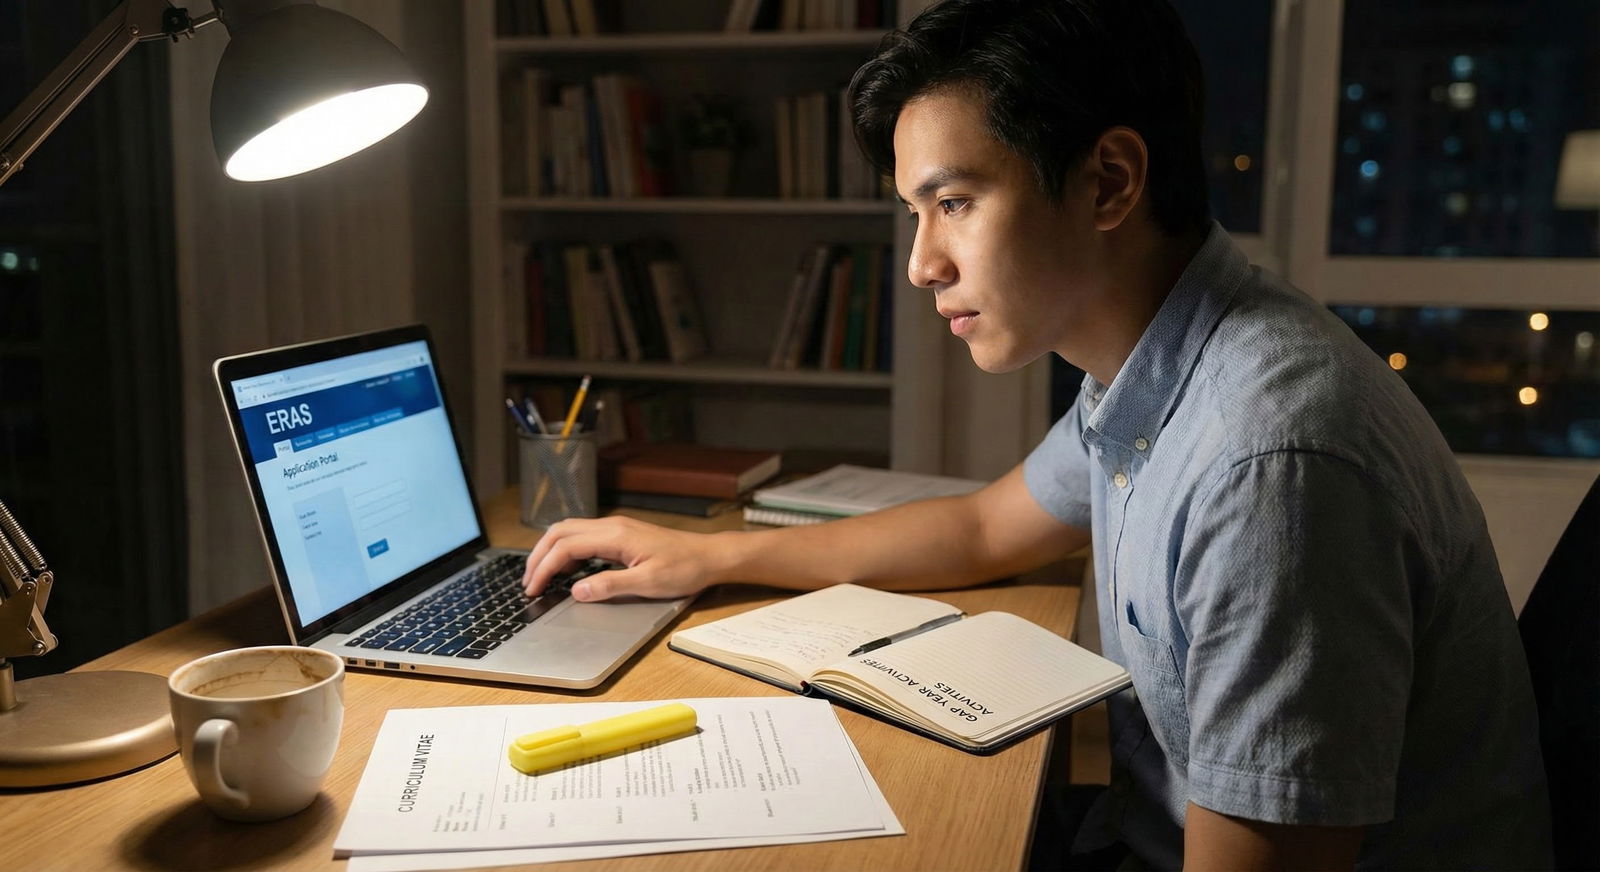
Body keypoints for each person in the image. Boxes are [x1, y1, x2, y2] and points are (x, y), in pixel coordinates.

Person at [521, 1, 1552, 867]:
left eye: (954, 203)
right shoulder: (1155, 362)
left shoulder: (1269, 463)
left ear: (1108, 181)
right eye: (915, 214)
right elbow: (980, 528)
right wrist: (709, 555)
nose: (923, 263)